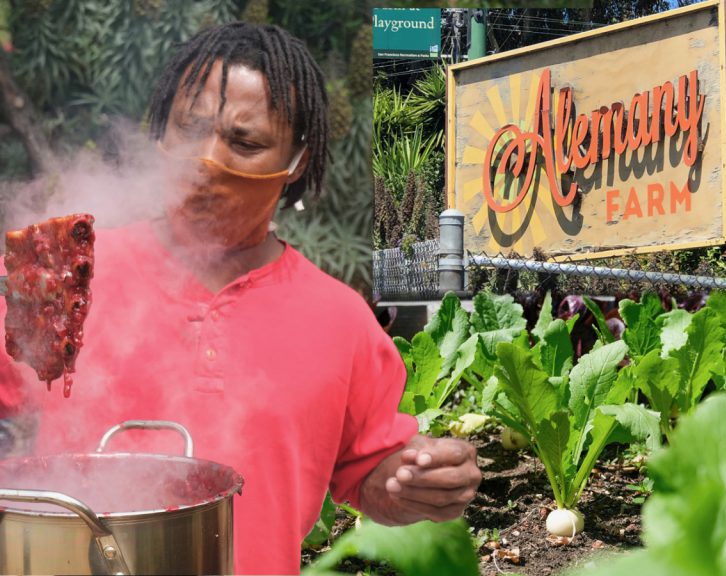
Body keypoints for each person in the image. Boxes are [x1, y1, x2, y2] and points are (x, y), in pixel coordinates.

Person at [0, 22, 481, 574]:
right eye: (189, 129)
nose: (206, 162)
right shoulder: (64, 276)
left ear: (297, 161)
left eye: (244, 142)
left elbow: (373, 478)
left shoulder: (339, 320)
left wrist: (417, 484)